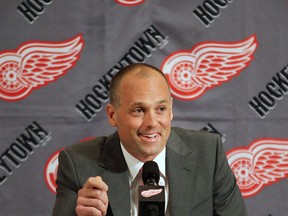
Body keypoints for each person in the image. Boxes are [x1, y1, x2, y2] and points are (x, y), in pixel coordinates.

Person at [52, 63, 247, 216]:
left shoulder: (208, 153)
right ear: (112, 115)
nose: (152, 122)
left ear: (171, 110)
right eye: (139, 110)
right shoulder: (78, 164)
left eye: (160, 109)